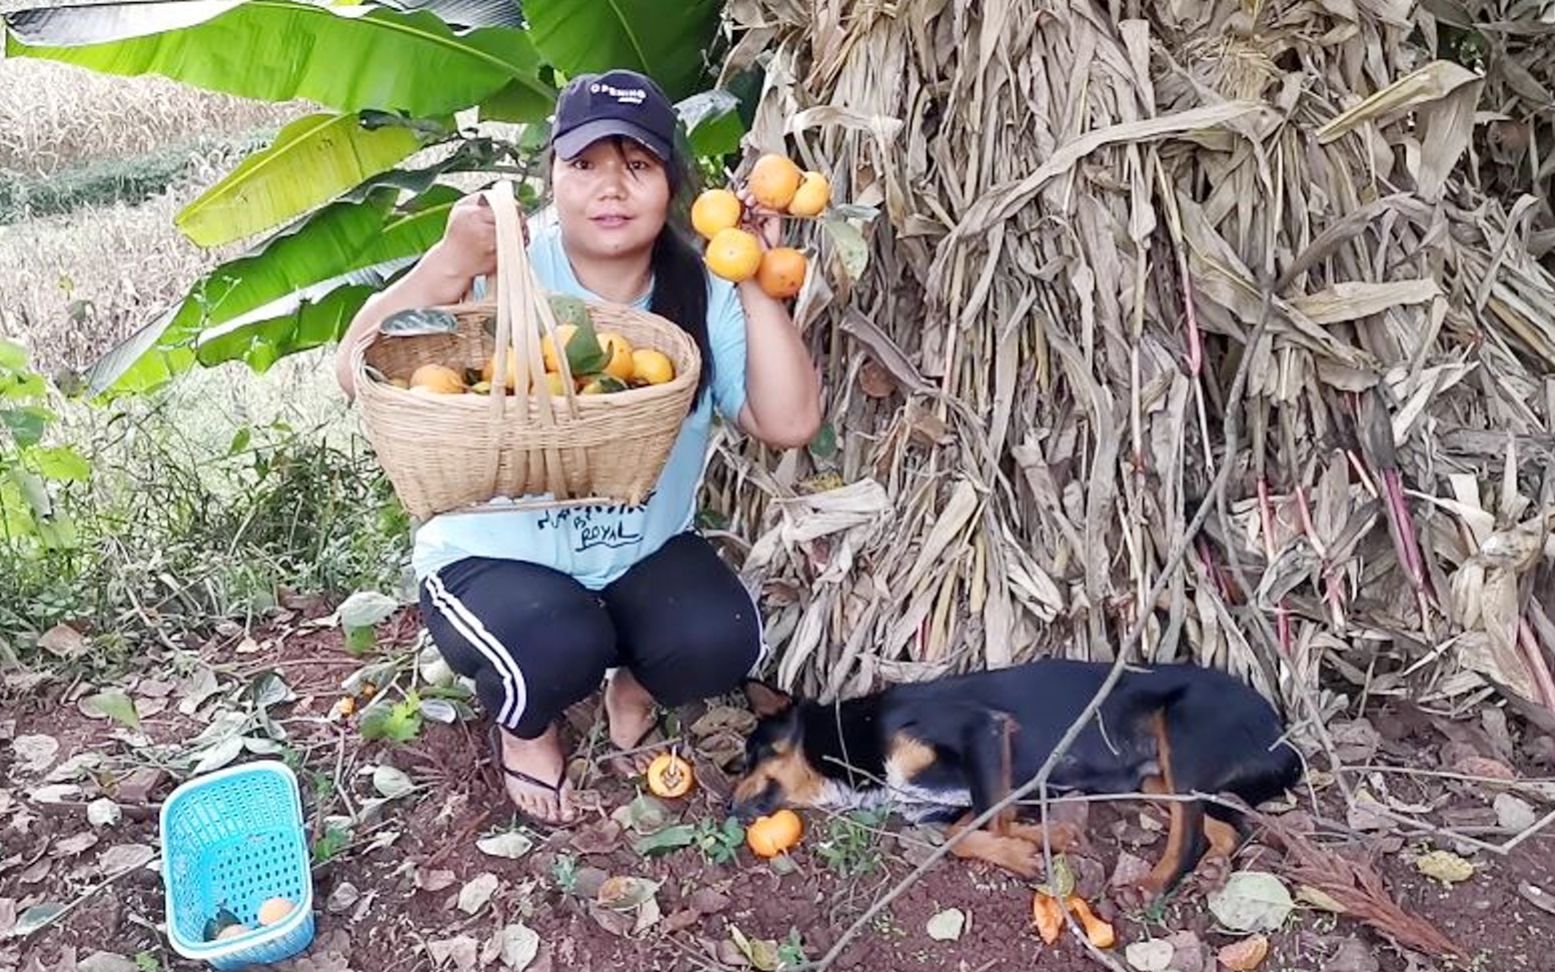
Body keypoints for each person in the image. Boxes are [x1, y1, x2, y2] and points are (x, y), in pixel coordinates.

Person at [333, 69, 821, 826]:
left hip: (636, 549)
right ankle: (525, 728)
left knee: (721, 639)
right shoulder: (508, 265)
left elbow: (787, 422)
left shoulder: (698, 288)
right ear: (551, 178)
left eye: (637, 166)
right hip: (492, 553)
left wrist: (751, 272)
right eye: (584, 165)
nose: (611, 188)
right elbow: (350, 371)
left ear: (671, 184)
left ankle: (631, 689)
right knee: (555, 646)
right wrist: (450, 262)